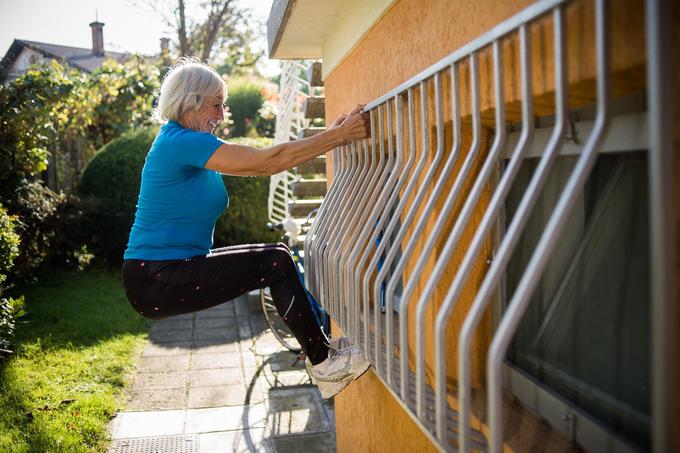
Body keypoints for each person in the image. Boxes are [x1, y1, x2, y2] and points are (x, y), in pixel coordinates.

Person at [122, 58, 371, 399]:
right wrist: (337, 137)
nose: (222, 115)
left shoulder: (186, 143)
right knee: (275, 262)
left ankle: (322, 349)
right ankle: (325, 363)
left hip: (166, 271)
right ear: (190, 102)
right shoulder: (180, 142)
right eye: (216, 105)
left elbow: (264, 160)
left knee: (278, 257)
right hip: (156, 277)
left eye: (223, 105)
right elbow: (268, 162)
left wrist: (333, 136)